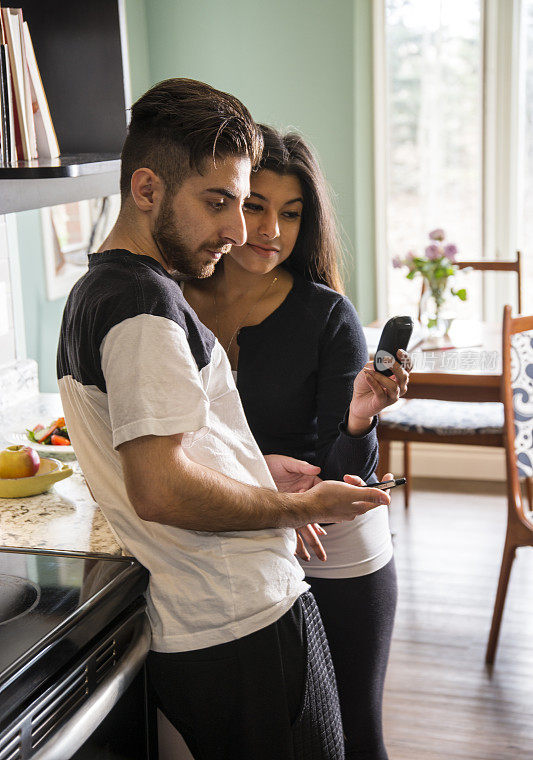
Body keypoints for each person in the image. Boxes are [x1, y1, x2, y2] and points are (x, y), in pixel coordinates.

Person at [56, 79, 392, 760]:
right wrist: (290, 507)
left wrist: (247, 466)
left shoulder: (99, 289)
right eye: (219, 203)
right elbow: (159, 487)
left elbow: (167, 457)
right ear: (147, 190)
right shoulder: (145, 307)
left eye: (242, 204)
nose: (240, 231)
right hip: (241, 620)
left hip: (218, 622)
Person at [183, 125, 410, 760]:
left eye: (291, 214)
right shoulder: (173, 302)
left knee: (353, 736)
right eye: (255, 206)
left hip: (330, 547)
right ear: (224, 202)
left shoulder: (327, 315)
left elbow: (347, 479)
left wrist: (360, 419)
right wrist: (256, 479)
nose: (272, 232)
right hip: (231, 537)